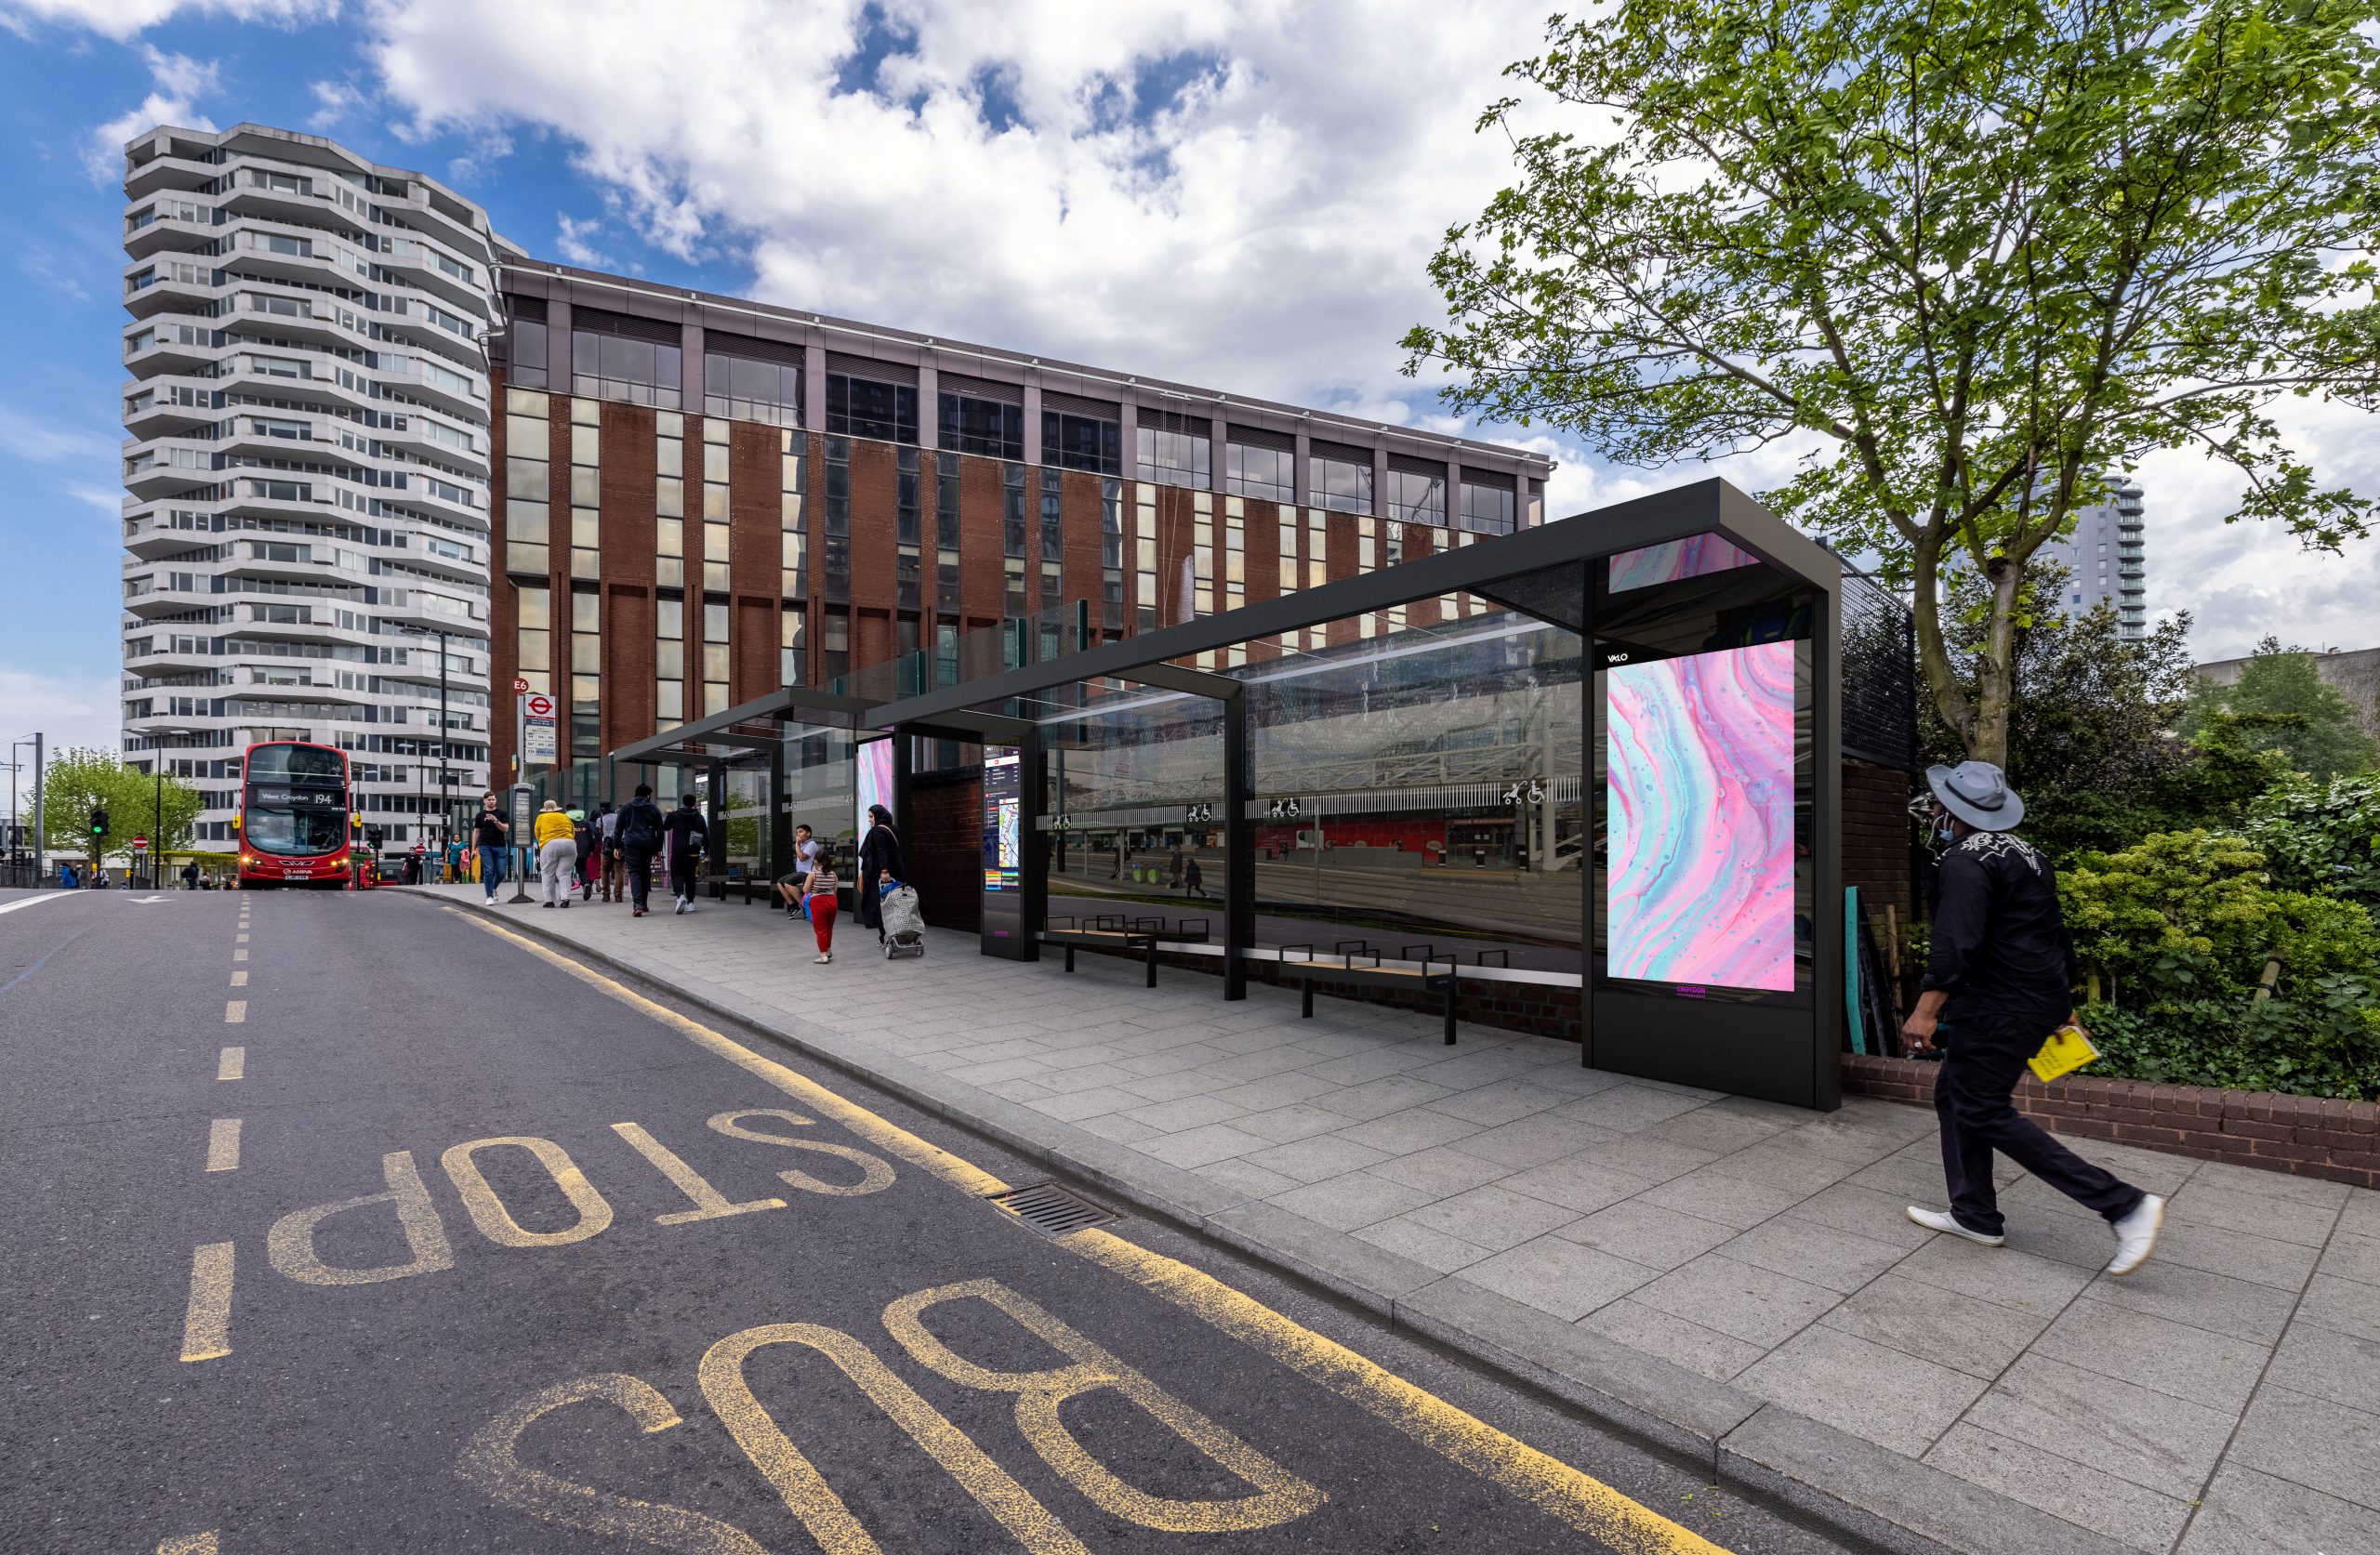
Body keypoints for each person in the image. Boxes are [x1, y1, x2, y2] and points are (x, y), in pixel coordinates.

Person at [1902, 760, 2163, 1277]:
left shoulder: (1964, 861)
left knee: (1980, 1109)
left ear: (1952, 812)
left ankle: (2123, 1204)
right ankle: (1975, 1215)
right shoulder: (2030, 856)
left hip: (1998, 1005)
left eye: (1936, 804)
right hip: (2032, 997)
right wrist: (2062, 1006)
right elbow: (2050, 936)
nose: (1931, 811)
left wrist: (1924, 1012)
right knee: (1955, 1097)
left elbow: (1956, 944)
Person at [856, 804, 906, 945]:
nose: (869, 820)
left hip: (882, 876)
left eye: (871, 817)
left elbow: (881, 851)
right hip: (897, 873)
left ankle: (886, 937)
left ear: (878, 816)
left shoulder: (878, 831)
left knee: (881, 906)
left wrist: (884, 870)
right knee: (896, 904)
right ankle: (898, 934)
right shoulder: (893, 829)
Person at [615, 784, 665, 916]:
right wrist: (658, 849)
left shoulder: (626, 807)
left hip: (631, 843)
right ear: (648, 795)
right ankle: (644, 904)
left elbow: (618, 828)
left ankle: (637, 904)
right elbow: (660, 831)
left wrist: (616, 846)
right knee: (645, 872)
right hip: (648, 843)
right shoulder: (653, 809)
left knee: (634, 872)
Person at [799, 834, 840, 964]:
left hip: (818, 902)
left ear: (816, 860)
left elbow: (805, 890)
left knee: (820, 930)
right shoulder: (833, 874)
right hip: (832, 902)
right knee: (829, 928)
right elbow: (835, 890)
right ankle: (827, 949)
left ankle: (823, 956)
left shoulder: (813, 874)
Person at [663, 793, 707, 915]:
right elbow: (706, 836)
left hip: (678, 851)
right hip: (693, 852)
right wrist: (707, 853)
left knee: (676, 875)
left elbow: (665, 827)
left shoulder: (675, 815)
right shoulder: (700, 817)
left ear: (682, 803)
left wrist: (668, 815)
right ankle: (691, 903)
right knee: (690, 877)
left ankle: (680, 896)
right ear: (694, 803)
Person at [534, 798, 577, 909]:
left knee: (547, 872)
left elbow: (537, 833)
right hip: (569, 843)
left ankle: (549, 901)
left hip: (550, 843)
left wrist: (542, 843)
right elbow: (572, 831)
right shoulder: (566, 816)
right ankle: (565, 898)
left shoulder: (541, 817)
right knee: (564, 873)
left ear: (545, 810)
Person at [774, 824, 822, 918]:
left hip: (809, 872)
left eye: (800, 832)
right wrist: (798, 845)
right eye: (797, 833)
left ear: (808, 833)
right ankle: (794, 906)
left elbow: (802, 857)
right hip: (800, 872)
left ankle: (805, 906)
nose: (798, 835)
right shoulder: (802, 845)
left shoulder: (811, 844)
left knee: (788, 883)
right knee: (780, 883)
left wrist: (797, 844)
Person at [473, 793, 510, 905]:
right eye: (489, 800)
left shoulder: (502, 813)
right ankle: (489, 897)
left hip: (500, 846)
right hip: (485, 846)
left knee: (501, 872)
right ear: (484, 801)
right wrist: (473, 848)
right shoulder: (480, 815)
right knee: (488, 871)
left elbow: (505, 829)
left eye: (493, 799)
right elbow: (476, 832)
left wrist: (495, 820)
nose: (491, 801)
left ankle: (493, 888)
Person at [594, 800, 621, 903]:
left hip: (606, 847)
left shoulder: (599, 819)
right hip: (619, 846)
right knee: (619, 871)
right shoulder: (619, 817)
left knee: (605, 870)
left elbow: (600, 832)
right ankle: (618, 896)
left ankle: (606, 895)